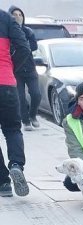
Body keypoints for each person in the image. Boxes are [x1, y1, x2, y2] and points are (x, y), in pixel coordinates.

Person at [0, 8, 28, 198]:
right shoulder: (5, 17)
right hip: (6, 83)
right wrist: (11, 67)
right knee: (12, 129)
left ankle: (3, 183)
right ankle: (16, 164)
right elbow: (24, 47)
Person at [8, 6, 39, 130]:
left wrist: (22, 44)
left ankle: (33, 116)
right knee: (20, 97)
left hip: (30, 68)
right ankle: (25, 121)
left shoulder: (28, 31)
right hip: (16, 70)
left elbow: (33, 46)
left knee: (36, 94)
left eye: (20, 15)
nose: (18, 17)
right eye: (14, 14)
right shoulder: (7, 32)